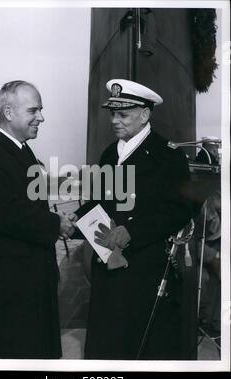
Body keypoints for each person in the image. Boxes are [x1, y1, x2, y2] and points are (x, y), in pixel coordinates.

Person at [70, 79, 195, 360]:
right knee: (107, 349)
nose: (115, 121)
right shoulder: (108, 155)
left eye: (123, 114)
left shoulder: (168, 156)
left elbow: (180, 208)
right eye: (112, 113)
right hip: (108, 270)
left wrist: (133, 231)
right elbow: (99, 203)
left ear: (145, 114)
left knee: (145, 348)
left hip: (145, 269)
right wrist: (75, 221)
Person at [0, 80, 73, 359]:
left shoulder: (23, 154)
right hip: (4, 299)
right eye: (34, 110)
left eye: (41, 110)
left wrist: (52, 219)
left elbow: (25, 210)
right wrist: (54, 224)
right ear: (9, 113)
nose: (42, 117)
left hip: (29, 291)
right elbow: (7, 214)